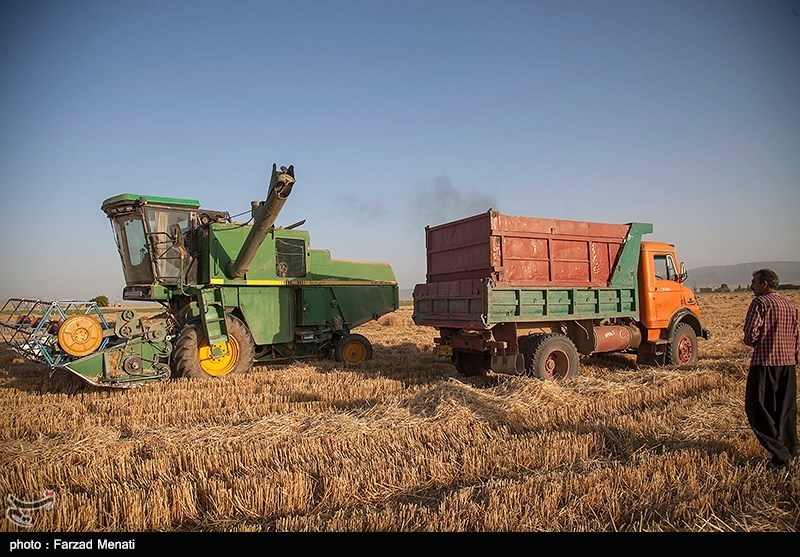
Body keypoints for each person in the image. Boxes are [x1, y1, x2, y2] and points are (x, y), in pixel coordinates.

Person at [743, 269, 799, 470]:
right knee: (785, 411)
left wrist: (756, 340)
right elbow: (795, 334)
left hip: (765, 363)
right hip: (788, 364)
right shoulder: (790, 305)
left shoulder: (760, 303)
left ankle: (781, 455)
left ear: (765, 284)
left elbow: (750, 335)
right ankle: (790, 452)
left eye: (754, 282)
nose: (752, 285)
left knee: (757, 409)